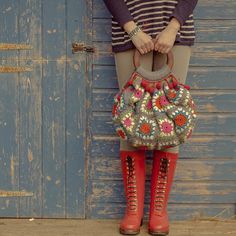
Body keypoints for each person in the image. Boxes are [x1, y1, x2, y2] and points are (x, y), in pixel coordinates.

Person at [103, 1, 198, 235]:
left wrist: (173, 27)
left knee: (170, 122)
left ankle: (159, 212)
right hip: (129, 34)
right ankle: (133, 211)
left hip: (176, 33)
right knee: (132, 121)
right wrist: (132, 30)